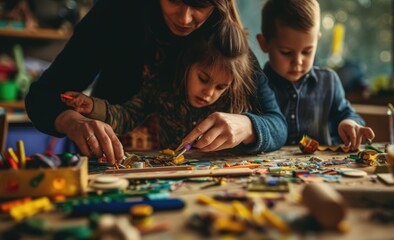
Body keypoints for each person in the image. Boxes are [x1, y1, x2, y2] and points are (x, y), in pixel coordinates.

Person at [25, 0, 287, 164]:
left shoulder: (224, 38)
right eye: (174, 0)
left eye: (199, 5)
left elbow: (277, 122)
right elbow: (41, 96)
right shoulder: (115, 13)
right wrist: (70, 120)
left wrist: (248, 125)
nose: (185, 18)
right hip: (116, 168)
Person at [61, 21, 285, 154]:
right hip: (175, 176)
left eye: (221, 87)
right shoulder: (161, 87)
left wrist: (249, 126)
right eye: (203, 78)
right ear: (187, 65)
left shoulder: (238, 95)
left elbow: (279, 127)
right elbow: (127, 115)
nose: (209, 93)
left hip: (225, 177)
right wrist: (92, 107)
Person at [256, 0, 374, 150]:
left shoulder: (328, 81)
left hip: (324, 170)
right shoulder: (257, 85)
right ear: (264, 43)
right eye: (286, 52)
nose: (297, 62)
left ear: (317, 40)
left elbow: (347, 114)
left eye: (307, 52)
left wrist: (349, 123)